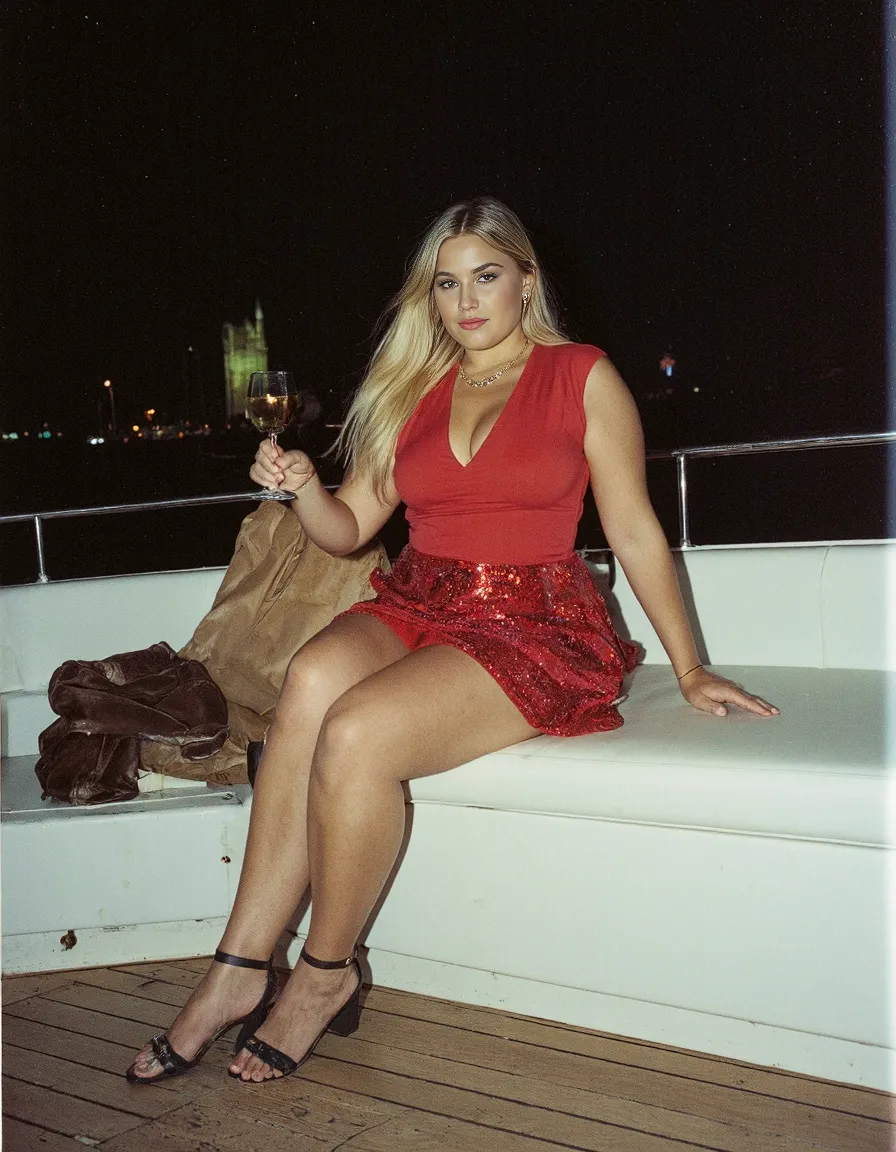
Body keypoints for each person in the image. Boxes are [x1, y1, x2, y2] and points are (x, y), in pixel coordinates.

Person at [127, 196, 778, 1086]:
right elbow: (351, 525)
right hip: (422, 598)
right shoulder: (414, 390)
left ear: (526, 281)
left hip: (533, 620)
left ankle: (323, 973)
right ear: (428, 298)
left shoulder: (581, 375)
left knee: (356, 733)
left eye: (487, 276)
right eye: (447, 284)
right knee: (312, 677)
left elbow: (632, 529)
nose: (467, 301)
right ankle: (237, 967)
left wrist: (692, 665)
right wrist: (301, 486)